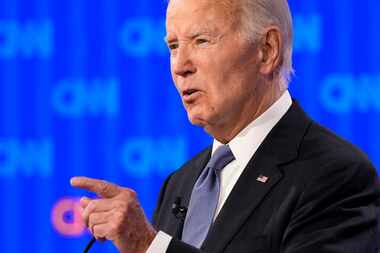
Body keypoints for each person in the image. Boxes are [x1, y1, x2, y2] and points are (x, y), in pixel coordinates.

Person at [70, 0, 380, 252]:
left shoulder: (336, 175)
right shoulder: (180, 183)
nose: (180, 66)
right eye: (174, 46)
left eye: (201, 41)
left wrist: (151, 247)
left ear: (267, 50)